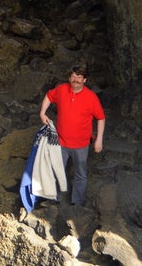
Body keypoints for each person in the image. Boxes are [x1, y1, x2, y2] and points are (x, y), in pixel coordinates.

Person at [39, 63, 105, 206]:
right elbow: (49, 96)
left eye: (79, 77)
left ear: (85, 80)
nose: (76, 79)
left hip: (81, 144)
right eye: (73, 76)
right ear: (69, 78)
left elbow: (100, 118)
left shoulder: (91, 97)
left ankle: (77, 204)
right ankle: (53, 200)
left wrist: (99, 139)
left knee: (80, 175)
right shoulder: (62, 90)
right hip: (61, 142)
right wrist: (42, 113)